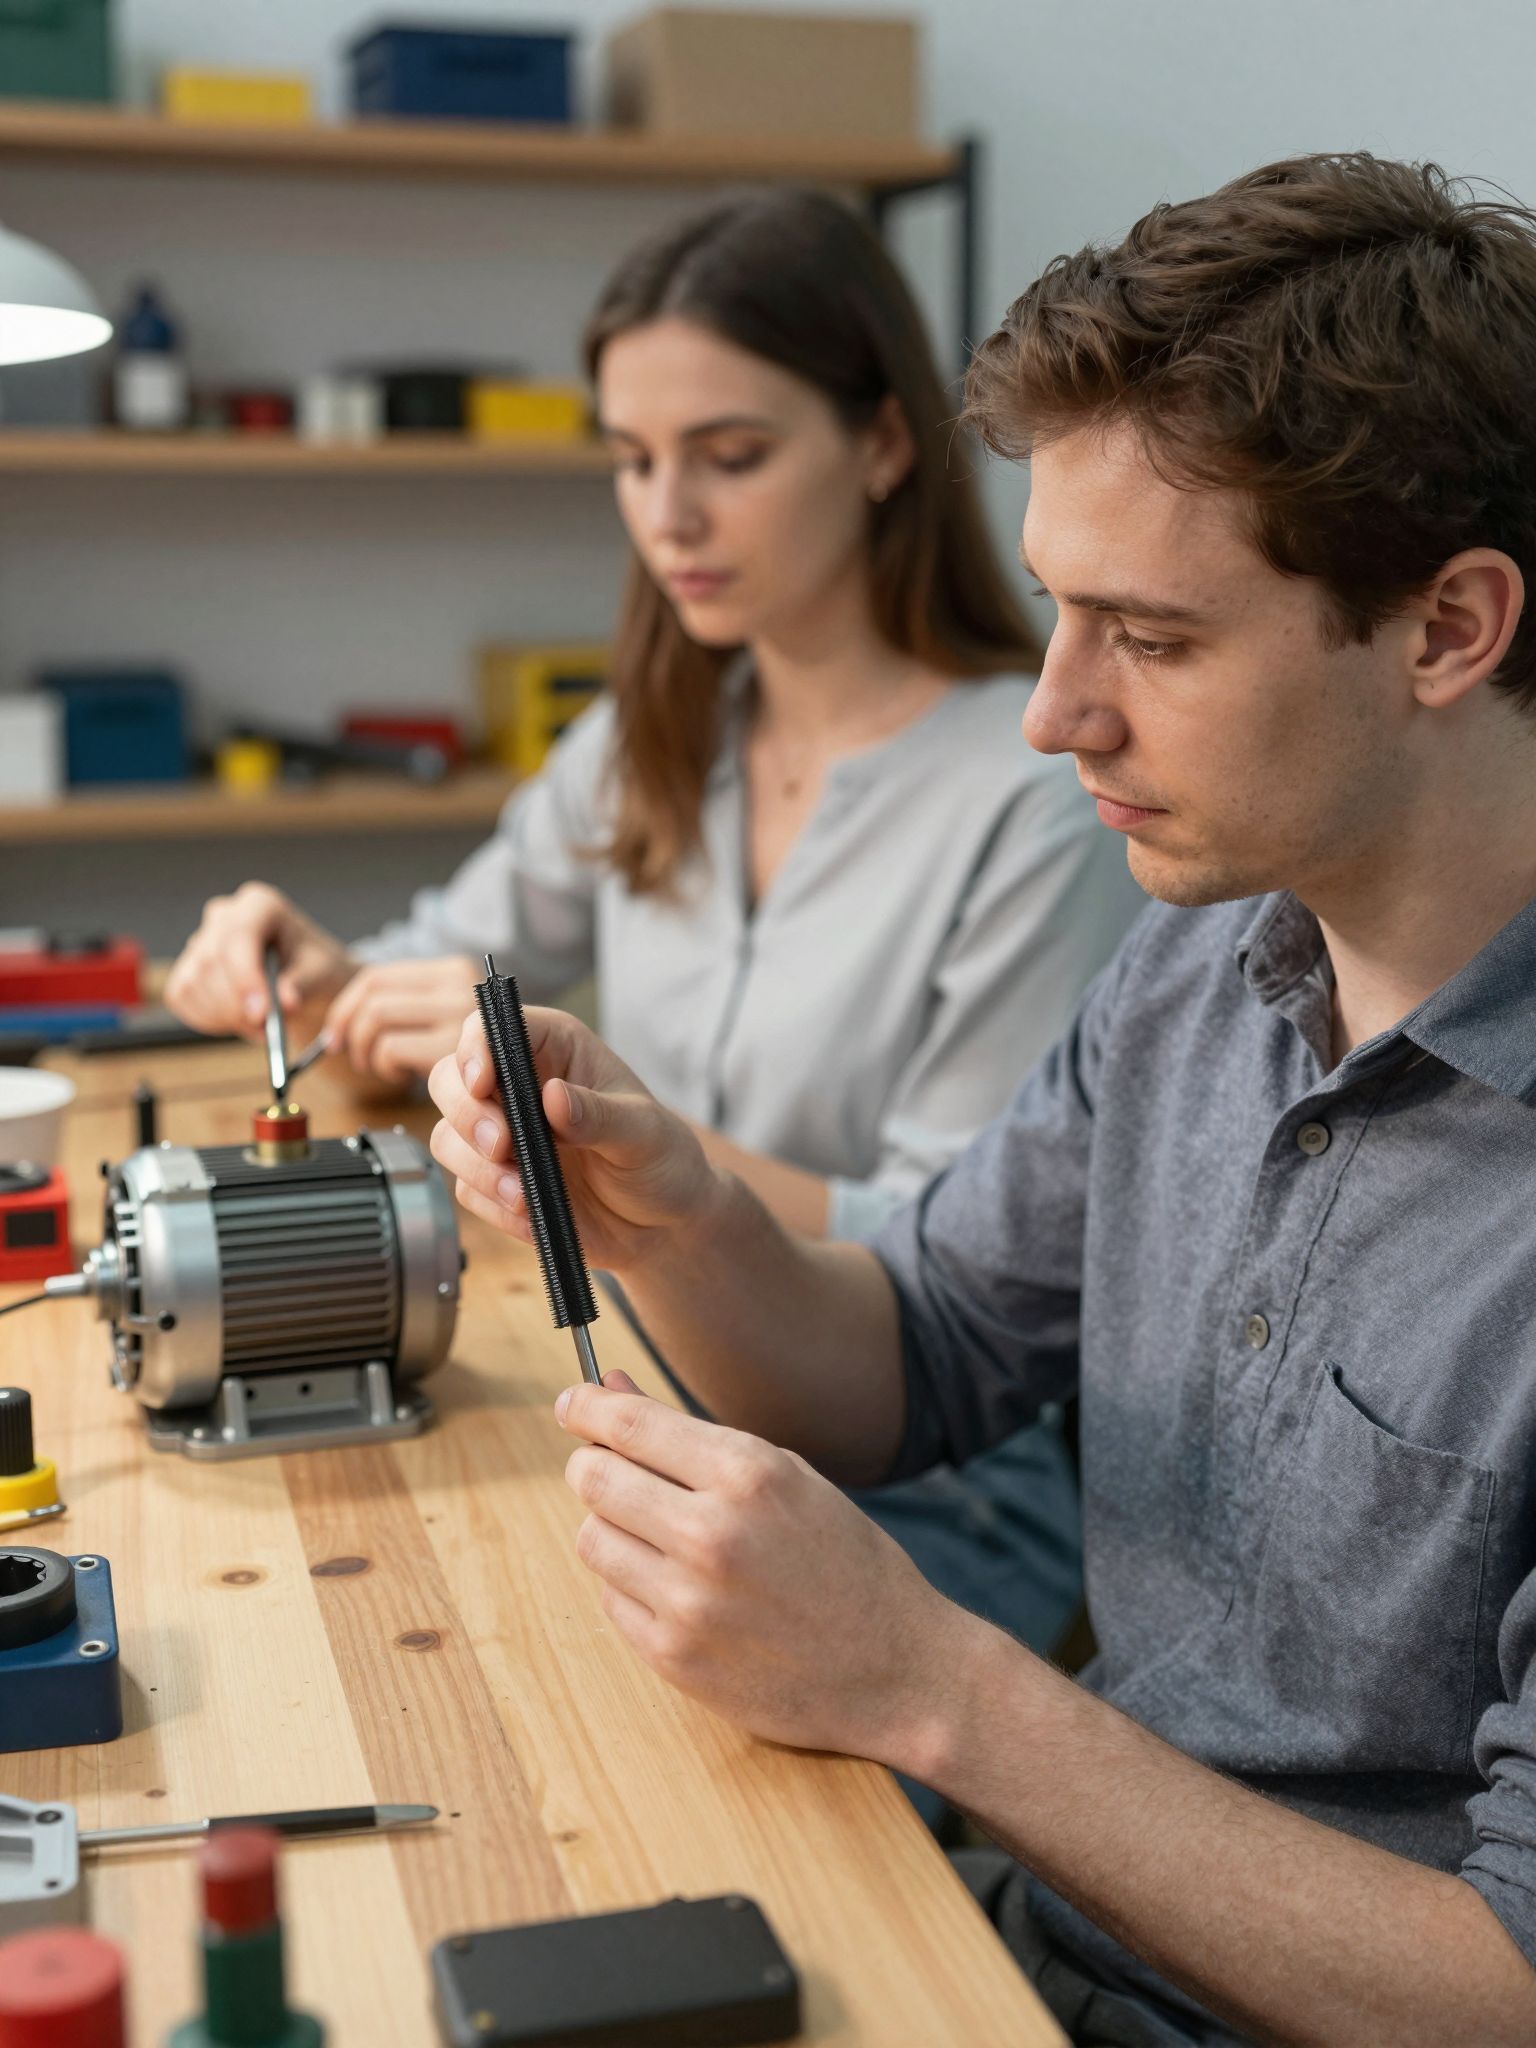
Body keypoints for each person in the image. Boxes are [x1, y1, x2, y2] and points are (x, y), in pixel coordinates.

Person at [428, 152, 1536, 2048]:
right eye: (1055, 613)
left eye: (1155, 640)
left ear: (1446, 629)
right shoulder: (1202, 967)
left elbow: (1503, 1989)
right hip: (1036, 1964)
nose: (1052, 711)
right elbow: (917, 1355)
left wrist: (928, 1684)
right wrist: (673, 1210)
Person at [165, 192, 1141, 1686]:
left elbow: (952, 1264)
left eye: (729, 458)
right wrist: (313, 968)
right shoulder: (654, 737)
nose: (666, 516)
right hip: (632, 1386)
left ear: (885, 445)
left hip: (912, 1487)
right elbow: (446, 955)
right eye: (632, 462)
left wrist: (638, 1146)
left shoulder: (1036, 793)